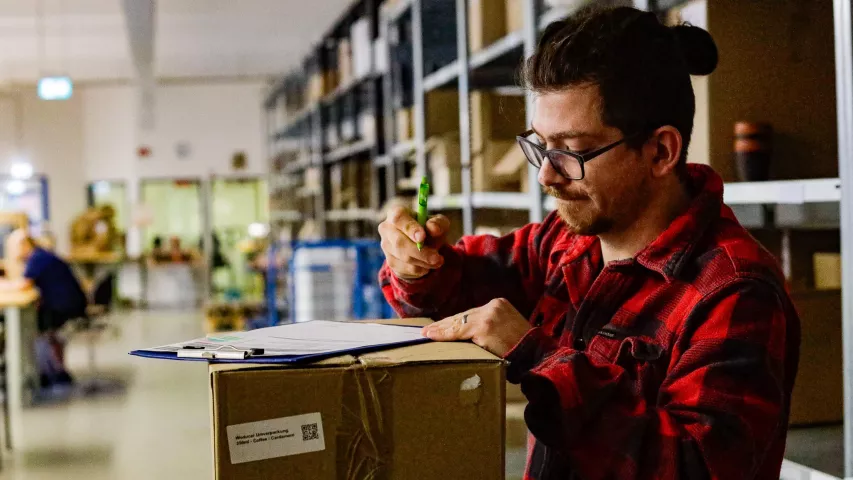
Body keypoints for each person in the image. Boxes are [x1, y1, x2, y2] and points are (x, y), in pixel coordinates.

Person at [378, 7, 800, 479]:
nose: (546, 174)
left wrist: (539, 358)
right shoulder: (565, 243)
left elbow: (694, 469)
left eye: (571, 151)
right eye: (539, 145)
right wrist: (415, 263)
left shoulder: (734, 293)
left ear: (661, 150)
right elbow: (444, 293)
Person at [3, 229, 87, 388]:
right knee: (35, 322)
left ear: (24, 245)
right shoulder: (40, 255)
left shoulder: (37, 258)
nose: (12, 253)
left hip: (64, 307)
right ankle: (51, 371)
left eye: (13, 248)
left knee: (33, 327)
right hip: (69, 303)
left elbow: (23, 284)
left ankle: (47, 373)